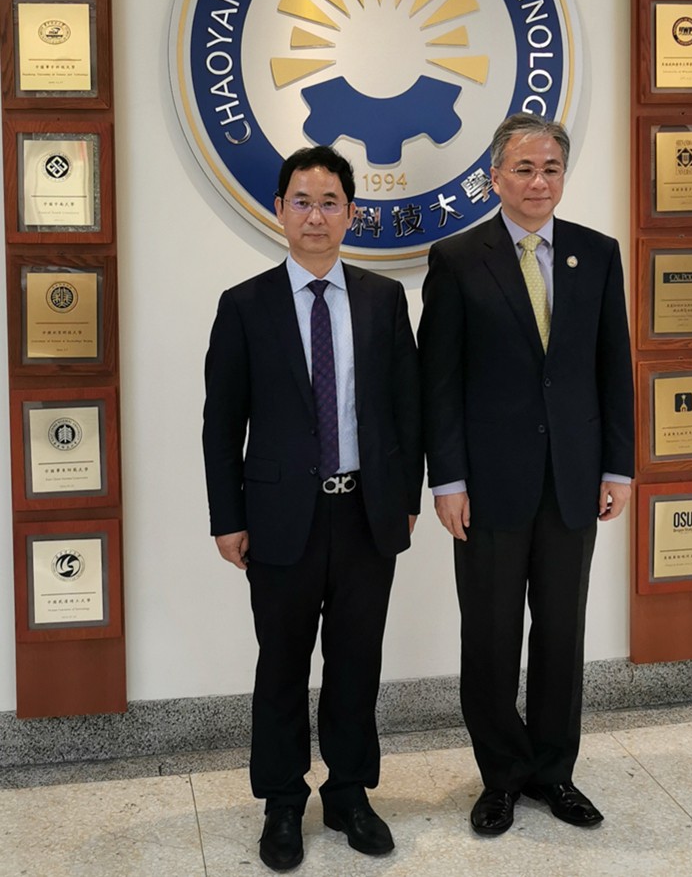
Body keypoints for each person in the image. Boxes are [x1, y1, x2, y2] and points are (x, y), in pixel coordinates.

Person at [202, 146, 422, 871]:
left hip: (366, 511)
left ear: (351, 214)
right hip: (278, 517)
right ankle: (282, 801)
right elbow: (221, 423)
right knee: (282, 664)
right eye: (302, 201)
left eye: (330, 202)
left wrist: (407, 498)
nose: (316, 216)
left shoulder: (383, 300)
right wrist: (227, 517)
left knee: (356, 660)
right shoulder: (245, 305)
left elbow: (406, 407)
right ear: (279, 210)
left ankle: (350, 793)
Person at [417, 113, 634, 835]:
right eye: (523, 168)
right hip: (487, 486)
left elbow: (612, 367)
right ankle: (501, 776)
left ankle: (553, 772)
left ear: (562, 176)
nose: (538, 181)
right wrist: (447, 480)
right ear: (495, 177)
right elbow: (438, 382)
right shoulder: (456, 258)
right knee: (490, 635)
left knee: (561, 633)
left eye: (550, 168)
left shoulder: (596, 254)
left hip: (573, 477)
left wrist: (618, 465)